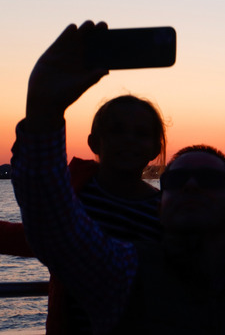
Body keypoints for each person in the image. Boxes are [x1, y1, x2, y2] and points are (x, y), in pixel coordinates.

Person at [12, 21, 225, 334]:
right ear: (160, 205)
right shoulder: (122, 274)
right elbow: (53, 221)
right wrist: (43, 109)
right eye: (177, 181)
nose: (192, 185)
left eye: (209, 180)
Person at [1, 93, 166, 334]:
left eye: (141, 134)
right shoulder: (74, 192)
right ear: (94, 142)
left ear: (154, 148)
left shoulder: (165, 209)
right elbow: (43, 237)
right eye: (117, 130)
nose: (129, 140)